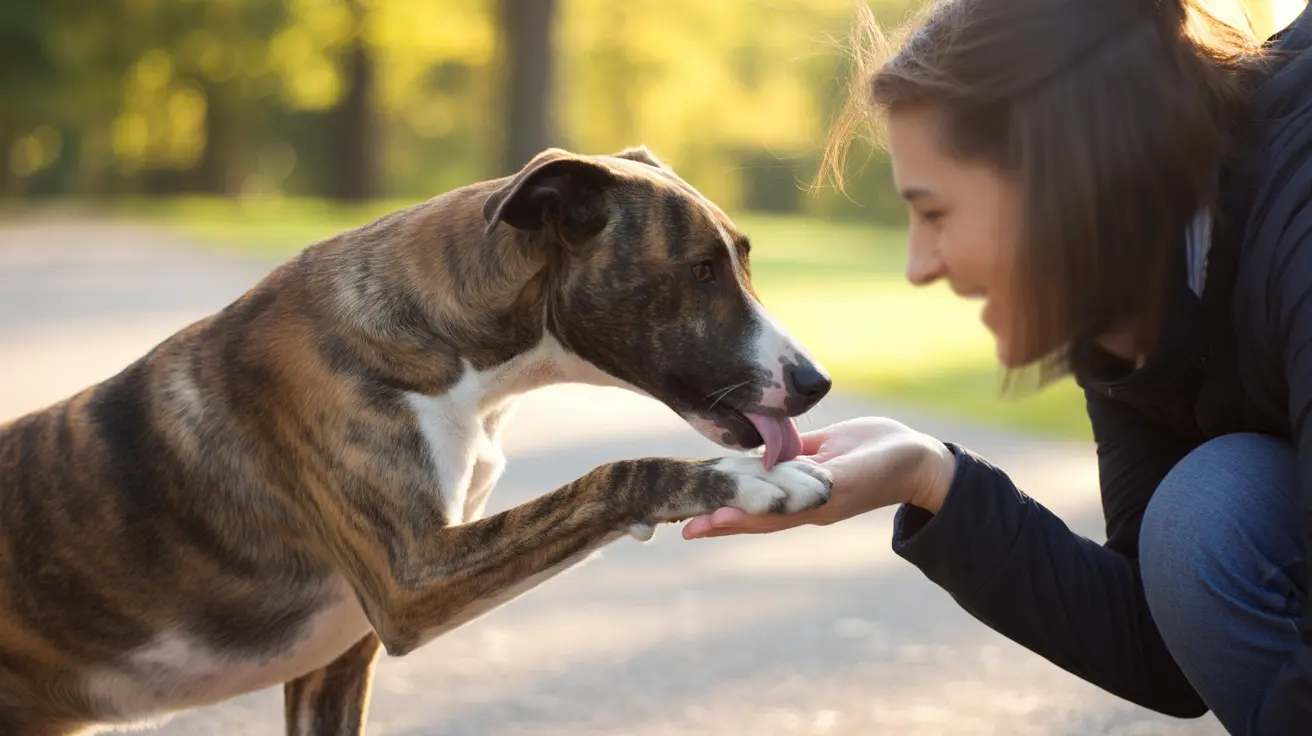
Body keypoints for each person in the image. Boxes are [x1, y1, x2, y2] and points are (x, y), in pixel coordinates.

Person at [680, 0, 1312, 733]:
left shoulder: (1297, 218)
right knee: (1204, 515)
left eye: (937, 212)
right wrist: (931, 478)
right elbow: (1166, 647)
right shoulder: (1126, 295)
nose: (919, 266)